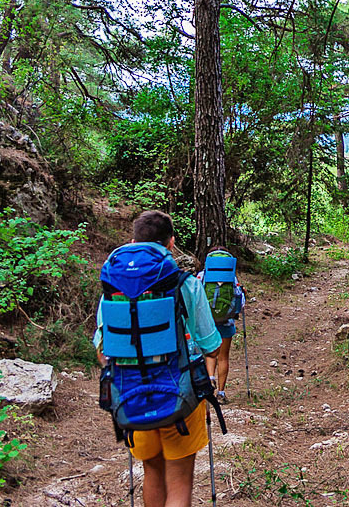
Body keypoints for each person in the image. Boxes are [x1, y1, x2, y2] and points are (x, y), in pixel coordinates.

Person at [93, 211, 222, 507]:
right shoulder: (185, 283)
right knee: (179, 482)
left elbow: (101, 348)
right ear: (172, 244)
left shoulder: (113, 289)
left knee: (152, 472)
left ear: (132, 242)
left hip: (130, 396)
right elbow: (212, 346)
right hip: (180, 397)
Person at [196, 256, 246, 404]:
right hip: (226, 322)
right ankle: (221, 393)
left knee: (210, 353)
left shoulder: (202, 275)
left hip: (207, 322)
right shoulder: (232, 278)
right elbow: (240, 302)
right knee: (223, 356)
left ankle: (210, 380)